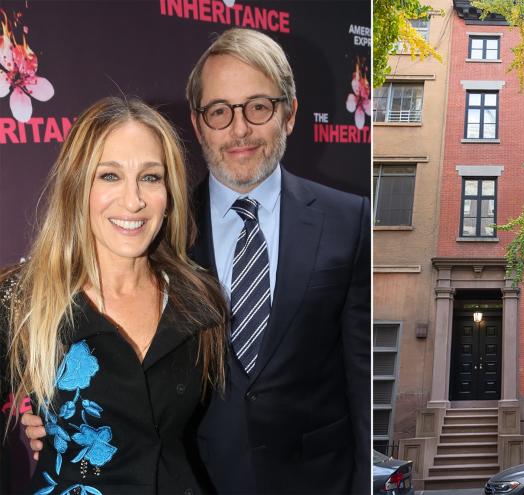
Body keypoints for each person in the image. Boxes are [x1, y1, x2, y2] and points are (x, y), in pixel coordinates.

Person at [25, 28, 371, 495]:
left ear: (289, 114)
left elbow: (365, 380)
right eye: (219, 111)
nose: (240, 128)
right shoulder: (152, 231)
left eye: (259, 106)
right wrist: (47, 418)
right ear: (197, 122)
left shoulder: (350, 221)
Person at [2, 96, 228, 494]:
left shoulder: (199, 302)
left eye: (150, 177)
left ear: (170, 192)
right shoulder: (21, 301)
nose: (133, 200)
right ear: (77, 186)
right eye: (109, 176)